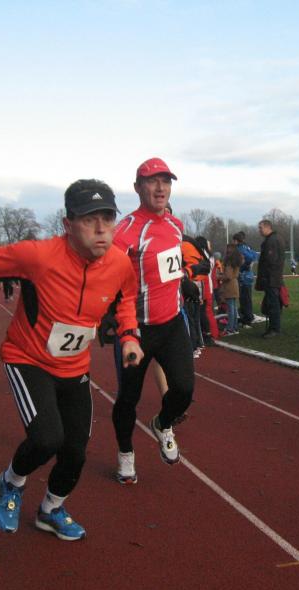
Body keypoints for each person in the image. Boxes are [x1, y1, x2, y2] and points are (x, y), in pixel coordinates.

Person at [0, 179, 142, 541]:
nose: (101, 229)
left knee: (75, 453)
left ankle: (51, 509)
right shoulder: (38, 256)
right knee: (47, 439)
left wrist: (129, 337)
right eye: (89, 219)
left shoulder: (119, 263)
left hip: (75, 368)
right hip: (28, 359)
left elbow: (126, 299)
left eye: (108, 219)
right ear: (67, 224)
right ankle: (12, 481)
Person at [112, 157, 198, 484]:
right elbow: (108, 278)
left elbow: (169, 266)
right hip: (137, 330)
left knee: (184, 390)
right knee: (128, 398)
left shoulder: (176, 225)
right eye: (152, 181)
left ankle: (162, 424)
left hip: (172, 323)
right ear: (138, 188)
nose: (161, 188)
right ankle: (125, 453)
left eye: (166, 181)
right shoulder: (126, 231)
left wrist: (185, 280)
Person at [255, 219, 285, 339]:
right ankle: (273, 327)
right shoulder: (275, 239)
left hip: (271, 278)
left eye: (261, 228)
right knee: (272, 303)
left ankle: (274, 329)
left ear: (268, 227)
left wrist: (265, 276)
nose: (259, 230)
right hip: (273, 277)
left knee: (273, 304)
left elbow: (270, 261)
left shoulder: (272, 241)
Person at [232, 231, 259, 327]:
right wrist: (250, 264)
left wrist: (245, 265)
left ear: (236, 240)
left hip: (243, 276)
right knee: (247, 298)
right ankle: (248, 316)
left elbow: (250, 258)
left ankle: (247, 318)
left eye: (233, 241)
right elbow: (255, 255)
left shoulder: (239, 249)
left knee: (244, 298)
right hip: (249, 275)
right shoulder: (247, 247)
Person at [220, 244, 243, 335]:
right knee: (234, 308)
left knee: (231, 309)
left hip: (229, 286)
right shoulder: (236, 260)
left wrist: (219, 277)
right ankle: (235, 327)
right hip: (235, 284)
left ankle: (230, 328)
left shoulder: (229, 261)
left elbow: (228, 276)